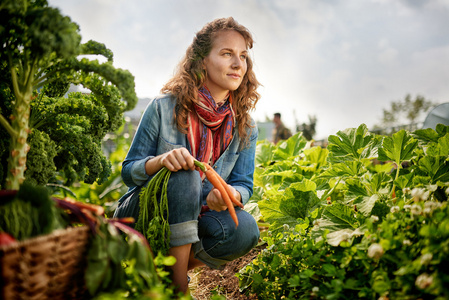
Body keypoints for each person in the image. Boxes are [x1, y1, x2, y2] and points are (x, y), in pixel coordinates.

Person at [113, 17, 261, 295]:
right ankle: (177, 289)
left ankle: (166, 269)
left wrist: (231, 194)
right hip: (146, 214)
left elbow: (245, 184)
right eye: (227, 53)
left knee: (245, 230)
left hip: (197, 217)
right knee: (185, 173)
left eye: (243, 56)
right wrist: (160, 162)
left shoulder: (245, 126)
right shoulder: (163, 107)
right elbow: (128, 171)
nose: (238, 64)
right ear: (202, 60)